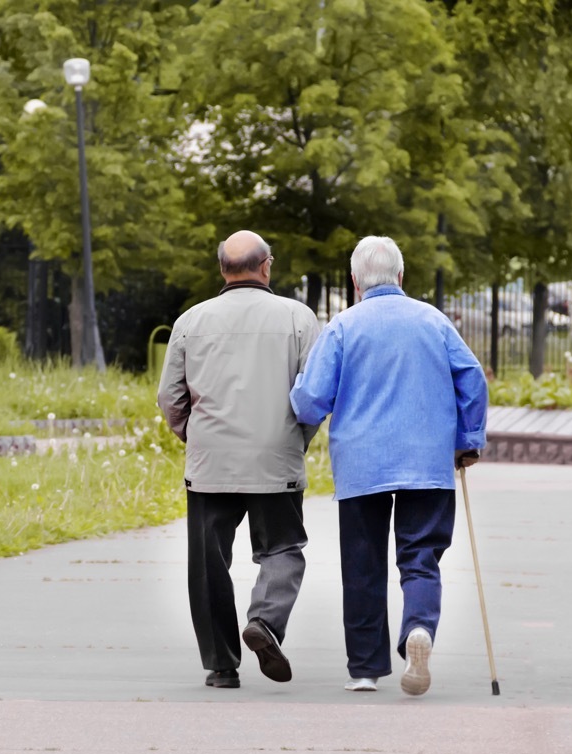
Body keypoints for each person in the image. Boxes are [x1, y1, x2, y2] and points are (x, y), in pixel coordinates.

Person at [289, 235, 487, 695]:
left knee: (362, 563)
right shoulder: (433, 321)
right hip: (427, 462)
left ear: (355, 282)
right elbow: (472, 379)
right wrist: (467, 440)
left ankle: (365, 668)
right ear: (401, 277)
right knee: (420, 558)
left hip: (362, 464)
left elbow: (311, 402)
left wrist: (299, 393)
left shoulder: (342, 326)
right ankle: (418, 628)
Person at [157, 230, 321, 689]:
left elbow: (169, 397)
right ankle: (265, 621)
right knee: (282, 549)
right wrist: (296, 438)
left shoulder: (191, 320)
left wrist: (193, 435)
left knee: (208, 564)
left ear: (221, 269)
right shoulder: (298, 318)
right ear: (266, 266)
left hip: (210, 462)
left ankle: (221, 665)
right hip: (276, 458)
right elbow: (312, 395)